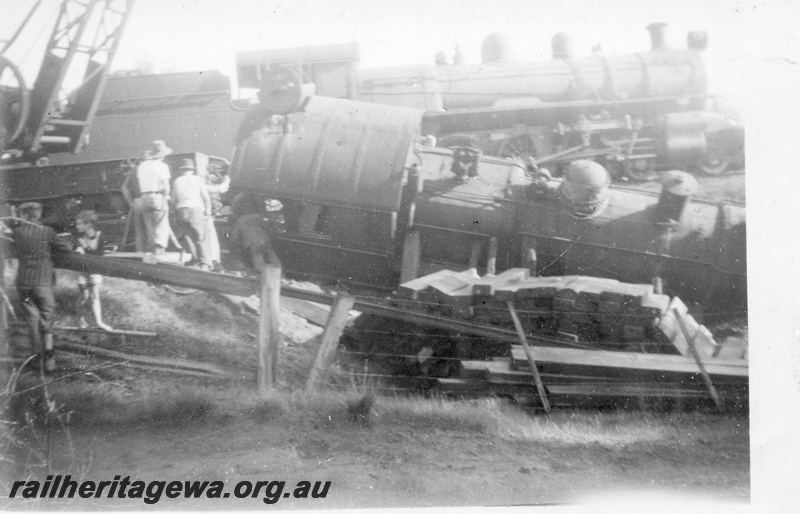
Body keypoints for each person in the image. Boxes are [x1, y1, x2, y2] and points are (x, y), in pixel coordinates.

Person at [11, 202, 71, 372]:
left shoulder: (18, 233)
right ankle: (50, 359)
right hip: (42, 282)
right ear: (39, 214)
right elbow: (66, 247)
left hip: (23, 283)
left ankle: (37, 360)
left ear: (25, 214)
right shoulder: (47, 232)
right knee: (47, 318)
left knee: (32, 320)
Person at [121, 140, 173, 255]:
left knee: (147, 230)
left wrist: (131, 202)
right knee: (161, 224)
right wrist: (164, 198)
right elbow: (166, 187)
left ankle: (146, 255)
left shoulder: (141, 167)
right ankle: (158, 251)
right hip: (155, 195)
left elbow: (126, 187)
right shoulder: (162, 166)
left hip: (142, 198)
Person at [73, 210, 113, 331]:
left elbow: (98, 254)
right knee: (84, 295)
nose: (77, 226)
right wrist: (79, 249)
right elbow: (77, 253)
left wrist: (85, 247)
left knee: (95, 296)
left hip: (95, 269)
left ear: (89, 225)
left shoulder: (100, 236)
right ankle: (79, 318)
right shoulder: (78, 237)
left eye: (79, 224)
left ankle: (99, 322)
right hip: (83, 270)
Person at [170, 158, 212, 271]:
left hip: (182, 210)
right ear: (192, 170)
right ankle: (205, 264)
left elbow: (173, 200)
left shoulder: (177, 181)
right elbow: (206, 197)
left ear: (181, 170)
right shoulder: (197, 180)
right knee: (202, 237)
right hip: (196, 210)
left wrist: (175, 213)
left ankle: (195, 260)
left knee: (188, 237)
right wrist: (208, 211)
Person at [229, 193, 282, 273]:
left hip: (252, 243)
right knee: (271, 255)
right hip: (264, 240)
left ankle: (261, 271)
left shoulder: (240, 220)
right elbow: (267, 228)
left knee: (257, 257)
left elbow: (235, 235)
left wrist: (233, 241)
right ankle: (279, 270)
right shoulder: (258, 217)